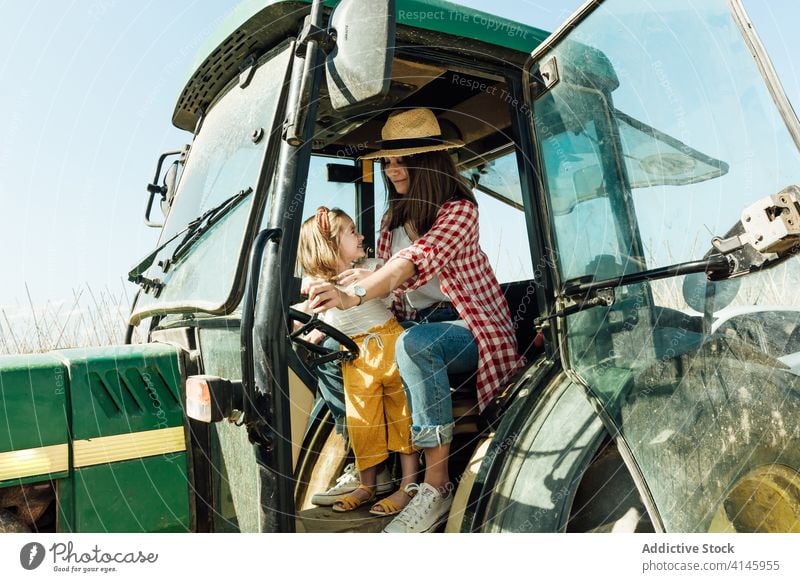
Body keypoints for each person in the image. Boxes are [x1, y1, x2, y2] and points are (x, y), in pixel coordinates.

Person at [308, 108, 524, 532]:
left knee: (414, 345)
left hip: (469, 327)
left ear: (427, 160)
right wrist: (340, 286)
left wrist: (357, 292)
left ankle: (436, 487)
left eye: (399, 160)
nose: (390, 169)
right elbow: (386, 275)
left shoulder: (459, 211)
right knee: (333, 350)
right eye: (387, 161)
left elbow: (411, 263)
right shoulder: (391, 221)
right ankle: (368, 462)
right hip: (416, 322)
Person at [295, 206, 419, 515]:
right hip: (357, 359)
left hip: (390, 346)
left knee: (402, 418)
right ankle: (367, 486)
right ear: (330, 244)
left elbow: (390, 290)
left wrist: (372, 276)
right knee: (363, 423)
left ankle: (408, 485)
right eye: (352, 231)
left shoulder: (373, 268)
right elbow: (321, 322)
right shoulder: (320, 289)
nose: (361, 235)